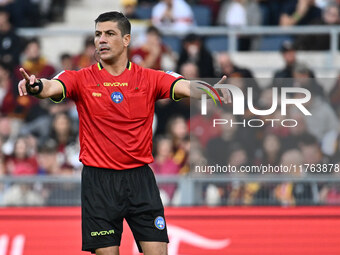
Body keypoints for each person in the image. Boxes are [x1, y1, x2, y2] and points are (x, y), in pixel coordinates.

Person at [17, 11, 230, 255]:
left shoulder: (148, 78)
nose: (101, 40)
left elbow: (186, 85)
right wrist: (35, 86)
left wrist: (210, 89)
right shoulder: (80, 78)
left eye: (109, 34)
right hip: (99, 183)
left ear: (126, 40)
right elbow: (49, 86)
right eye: (98, 35)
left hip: (140, 180)